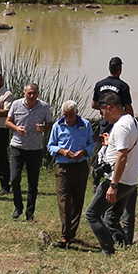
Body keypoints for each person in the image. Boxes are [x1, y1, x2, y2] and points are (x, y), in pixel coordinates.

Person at [86, 92, 138, 255]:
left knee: (92, 214)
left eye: (102, 112)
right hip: (130, 180)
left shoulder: (121, 127)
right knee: (111, 219)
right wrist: (109, 142)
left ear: (109, 108)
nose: (103, 117)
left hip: (119, 180)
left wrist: (113, 185)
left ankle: (108, 250)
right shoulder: (133, 122)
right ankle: (124, 248)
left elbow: (122, 156)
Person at [47, 100, 95, 247]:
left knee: (77, 200)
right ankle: (65, 234)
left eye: (70, 115)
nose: (68, 118)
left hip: (80, 167)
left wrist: (84, 152)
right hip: (63, 167)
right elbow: (50, 146)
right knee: (64, 200)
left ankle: (71, 234)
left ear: (76, 113)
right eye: (65, 115)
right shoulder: (57, 126)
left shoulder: (85, 125)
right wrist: (61, 151)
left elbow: (92, 144)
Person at [4, 83, 53, 221]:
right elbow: (7, 121)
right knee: (14, 179)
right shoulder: (16, 104)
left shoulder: (44, 107)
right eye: (29, 93)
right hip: (17, 147)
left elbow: (50, 124)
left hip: (35, 149)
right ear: (24, 93)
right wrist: (16, 128)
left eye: (34, 93)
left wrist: (44, 129)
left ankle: (30, 212)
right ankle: (18, 207)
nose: (31, 96)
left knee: (33, 183)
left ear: (38, 94)